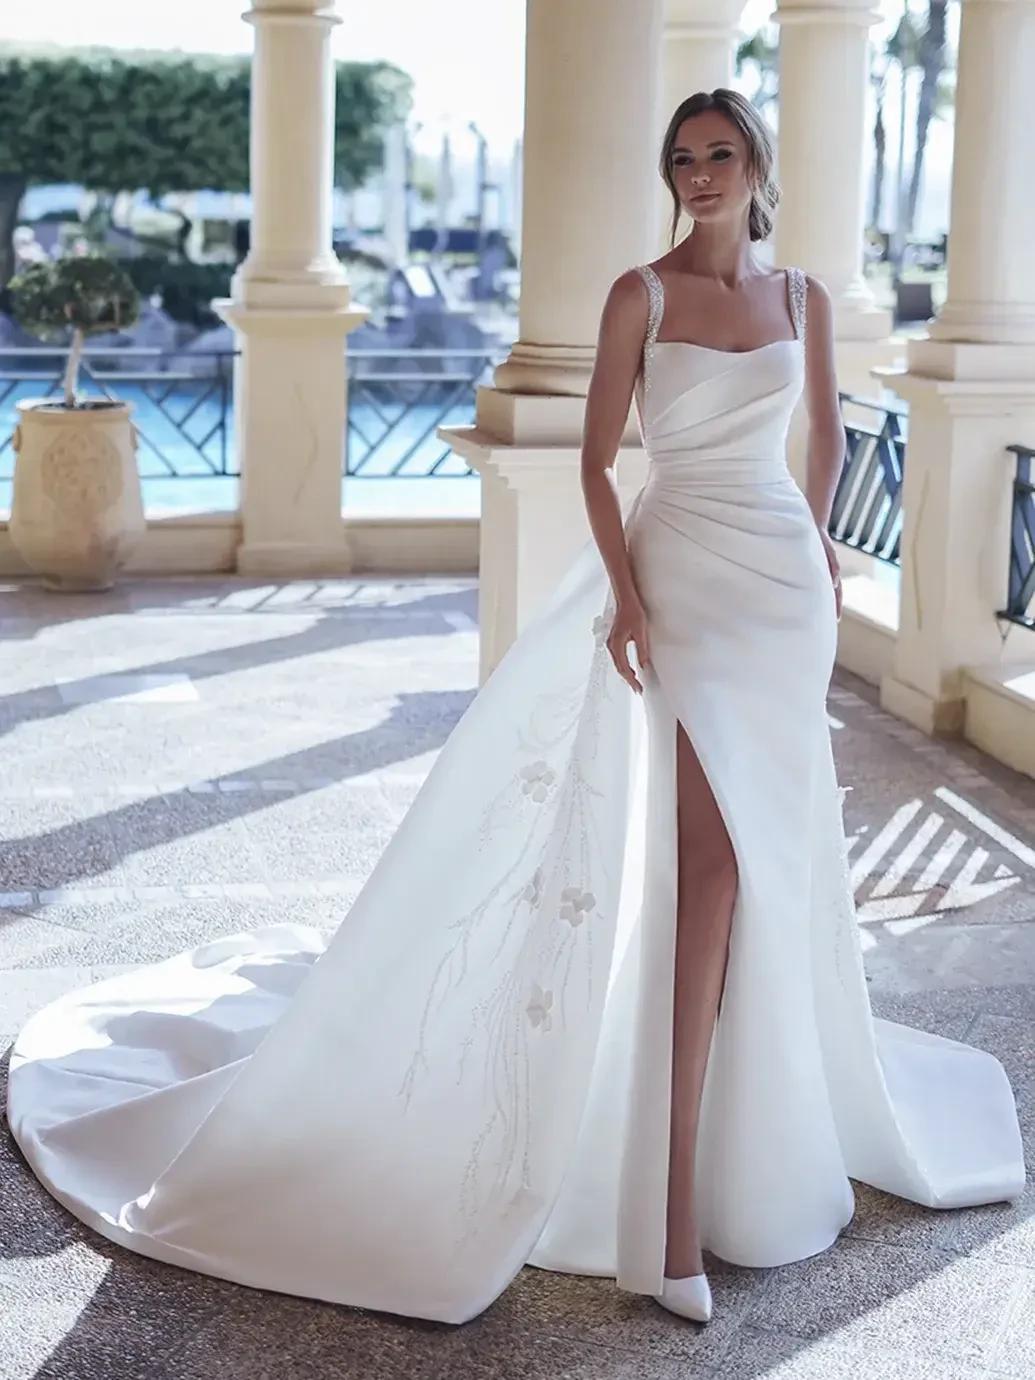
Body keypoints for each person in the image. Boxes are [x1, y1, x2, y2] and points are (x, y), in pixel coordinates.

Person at [7, 91, 1025, 1330]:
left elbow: (819, 440)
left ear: (758, 163)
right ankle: (666, 1219)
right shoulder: (638, 296)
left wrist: (814, 537)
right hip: (687, 585)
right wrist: (633, 599)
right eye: (681, 159)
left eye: (719, 155)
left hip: (781, 600)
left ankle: (749, 1143)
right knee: (708, 876)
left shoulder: (803, 299)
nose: (698, 174)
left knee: (768, 868)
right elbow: (600, 461)